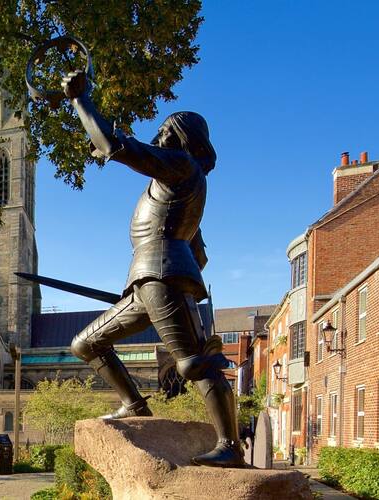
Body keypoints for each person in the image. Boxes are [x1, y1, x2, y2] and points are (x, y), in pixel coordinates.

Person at [60, 70, 245, 468]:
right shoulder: (180, 184)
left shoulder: (183, 166)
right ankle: (134, 404)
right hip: (146, 279)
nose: (158, 138)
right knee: (85, 344)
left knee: (193, 362)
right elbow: (201, 255)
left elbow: (117, 146)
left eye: (164, 131)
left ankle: (231, 445)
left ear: (182, 138)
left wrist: (81, 101)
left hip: (161, 274)